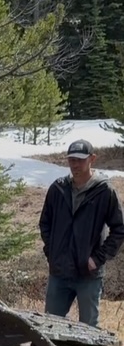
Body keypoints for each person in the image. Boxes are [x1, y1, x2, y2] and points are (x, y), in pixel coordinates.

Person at [39, 138, 124, 328]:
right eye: (71, 160)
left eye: (80, 159)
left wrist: (97, 258)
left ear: (92, 159)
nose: (75, 164)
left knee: (88, 330)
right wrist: (52, 252)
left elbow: (119, 229)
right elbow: (45, 223)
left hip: (88, 274)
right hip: (59, 272)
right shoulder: (58, 188)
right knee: (50, 327)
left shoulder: (104, 191)